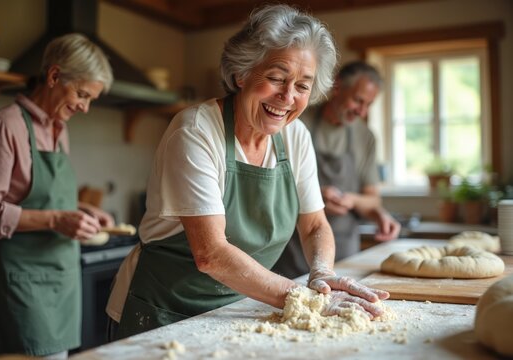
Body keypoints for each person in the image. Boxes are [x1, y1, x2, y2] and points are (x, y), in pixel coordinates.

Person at [106, 5, 389, 341]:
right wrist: (303, 299)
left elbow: (314, 224)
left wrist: (322, 275)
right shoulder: (196, 130)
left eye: (302, 85)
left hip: (234, 309)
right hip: (162, 312)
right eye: (276, 78)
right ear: (241, 73)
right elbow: (211, 252)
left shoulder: (296, 137)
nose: (287, 97)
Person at [0, 33, 114, 358]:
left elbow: (41, 200)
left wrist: (82, 209)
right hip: (23, 283)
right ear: (54, 75)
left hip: (62, 278)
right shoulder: (6, 125)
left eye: (91, 99)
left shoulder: (59, 130)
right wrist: (59, 218)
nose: (85, 107)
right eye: (82, 94)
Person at [272, 61, 401, 279]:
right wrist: (313, 197)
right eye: (358, 100)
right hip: (291, 250)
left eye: (368, 105)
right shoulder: (296, 122)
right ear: (337, 87)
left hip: (344, 254)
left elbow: (372, 199)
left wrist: (368, 209)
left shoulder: (365, 137)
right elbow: (270, 188)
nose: (361, 111)